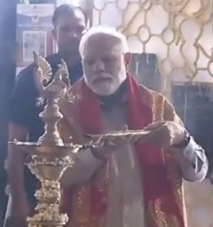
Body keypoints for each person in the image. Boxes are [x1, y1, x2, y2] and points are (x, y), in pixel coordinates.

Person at [58, 26, 208, 227]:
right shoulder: (66, 110)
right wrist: (95, 154)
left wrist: (182, 139)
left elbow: (197, 173)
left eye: (107, 59)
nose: (98, 68)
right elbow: (55, 178)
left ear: (127, 60)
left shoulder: (157, 106)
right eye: (90, 62)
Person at [6, 4, 88, 226]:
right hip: (35, 185)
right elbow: (15, 143)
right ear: (54, 34)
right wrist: (18, 197)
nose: (74, 35)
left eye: (80, 29)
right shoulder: (33, 76)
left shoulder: (94, 77)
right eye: (66, 29)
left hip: (83, 187)